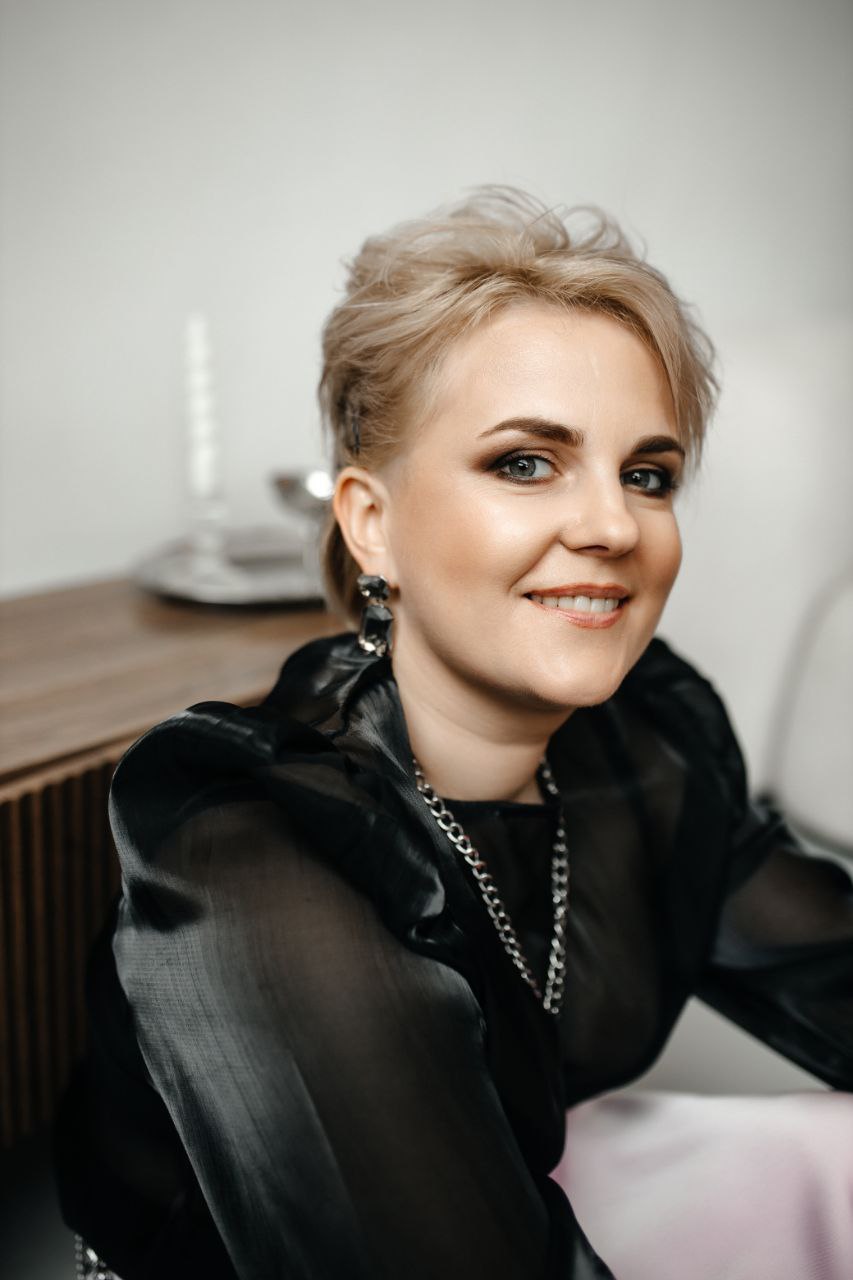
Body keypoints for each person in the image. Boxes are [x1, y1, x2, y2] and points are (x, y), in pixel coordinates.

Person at [53, 188, 853, 1280]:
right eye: (525, 461)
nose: (612, 525)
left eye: (647, 475)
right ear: (370, 523)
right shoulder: (254, 844)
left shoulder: (649, 743)